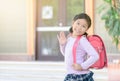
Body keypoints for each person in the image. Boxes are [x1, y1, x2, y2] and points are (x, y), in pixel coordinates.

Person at [57, 13, 99, 81]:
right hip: (71, 75)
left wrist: (82, 66)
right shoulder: (70, 38)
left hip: (80, 76)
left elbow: (95, 56)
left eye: (83, 26)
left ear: (86, 29)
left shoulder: (82, 40)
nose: (79, 27)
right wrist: (63, 45)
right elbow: (66, 54)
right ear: (73, 23)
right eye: (78, 23)